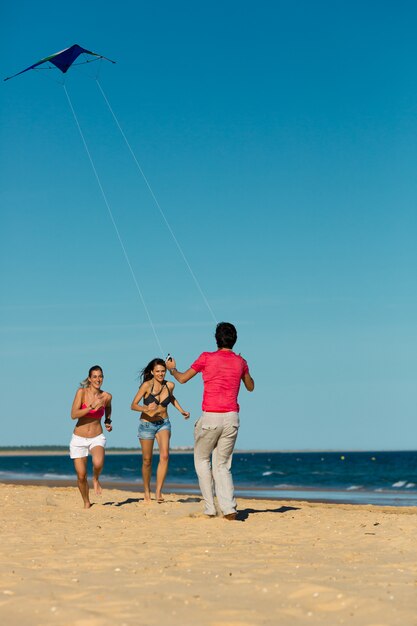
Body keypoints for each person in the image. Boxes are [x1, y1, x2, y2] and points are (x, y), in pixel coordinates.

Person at [166, 322, 254, 520]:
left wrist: (172, 369)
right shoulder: (240, 361)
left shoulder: (206, 357)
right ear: (234, 339)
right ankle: (229, 507)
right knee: (222, 465)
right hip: (231, 417)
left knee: (202, 460)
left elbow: (181, 379)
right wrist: (244, 368)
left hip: (212, 416)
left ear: (216, 339)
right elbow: (250, 386)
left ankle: (210, 508)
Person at [131, 358, 190, 503]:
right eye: (157, 371)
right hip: (147, 425)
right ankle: (146, 491)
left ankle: (158, 492)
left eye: (163, 371)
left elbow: (171, 398)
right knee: (147, 460)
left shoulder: (170, 385)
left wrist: (182, 410)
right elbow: (133, 405)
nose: (161, 374)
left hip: (164, 423)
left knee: (164, 456)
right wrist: (146, 408)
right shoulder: (146, 386)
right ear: (152, 372)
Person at [70, 365, 112, 508]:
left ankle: (95, 479)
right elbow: (73, 415)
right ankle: (86, 502)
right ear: (89, 378)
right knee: (81, 476)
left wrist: (107, 420)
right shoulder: (81, 392)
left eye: (100, 376)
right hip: (79, 438)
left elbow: (108, 407)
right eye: (94, 376)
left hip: (96, 436)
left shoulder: (106, 396)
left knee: (98, 462)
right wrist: (90, 407)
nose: (98, 379)